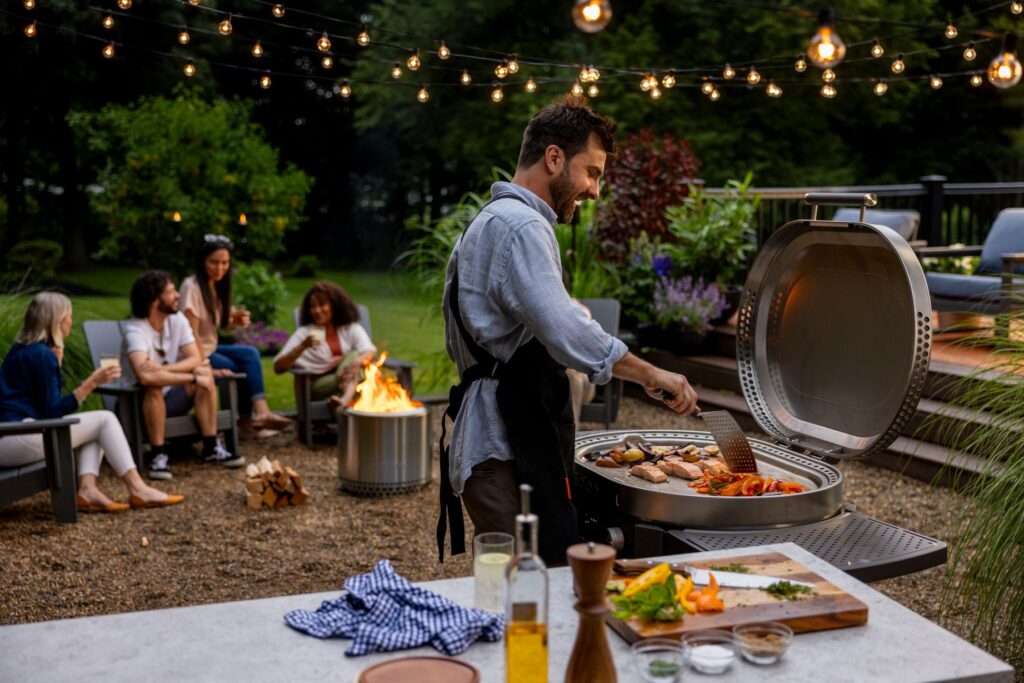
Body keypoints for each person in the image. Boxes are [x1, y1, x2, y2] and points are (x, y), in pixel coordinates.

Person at [438, 96, 700, 565]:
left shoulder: (491, 221)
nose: (595, 191)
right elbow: (566, 330)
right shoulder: (520, 226)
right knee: (530, 596)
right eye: (592, 172)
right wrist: (650, 374)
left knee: (526, 593)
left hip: (502, 441)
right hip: (504, 445)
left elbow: (548, 318)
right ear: (553, 157)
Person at [0, 292, 183, 511]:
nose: (70, 322)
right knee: (104, 420)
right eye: (68, 317)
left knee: (94, 425)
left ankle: (88, 490)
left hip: (12, 435)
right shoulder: (41, 354)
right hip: (14, 437)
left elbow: (43, 407)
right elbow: (52, 413)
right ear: (57, 321)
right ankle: (138, 489)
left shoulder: (25, 349)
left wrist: (56, 366)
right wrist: (91, 383)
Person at [125, 270, 244, 479]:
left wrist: (164, 369)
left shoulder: (177, 320)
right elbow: (146, 377)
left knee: (203, 371)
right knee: (155, 386)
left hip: (171, 398)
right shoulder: (135, 330)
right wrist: (192, 377)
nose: (178, 296)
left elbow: (195, 358)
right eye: (171, 292)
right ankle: (158, 455)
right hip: (135, 406)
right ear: (154, 300)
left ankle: (210, 448)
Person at [178, 235, 292, 438]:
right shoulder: (191, 287)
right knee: (238, 367)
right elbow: (190, 332)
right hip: (194, 352)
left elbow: (218, 327)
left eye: (224, 263)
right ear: (202, 261)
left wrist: (234, 323)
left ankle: (260, 411)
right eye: (214, 262)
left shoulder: (215, 285)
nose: (220, 268)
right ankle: (246, 422)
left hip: (210, 347)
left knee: (250, 353)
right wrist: (201, 362)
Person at [273, 280, 376, 410]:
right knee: (357, 362)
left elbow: (369, 350)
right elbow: (278, 367)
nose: (317, 310)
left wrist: (356, 363)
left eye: (322, 305)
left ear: (334, 305)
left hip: (345, 381)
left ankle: (344, 400)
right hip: (319, 386)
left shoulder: (349, 328)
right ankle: (347, 398)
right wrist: (302, 347)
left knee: (356, 357)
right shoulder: (305, 333)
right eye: (312, 306)